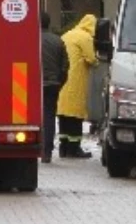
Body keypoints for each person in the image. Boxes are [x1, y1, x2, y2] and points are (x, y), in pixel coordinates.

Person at [56, 14, 98, 159]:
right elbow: (92, 59)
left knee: (63, 115)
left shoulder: (67, 35)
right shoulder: (85, 37)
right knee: (75, 115)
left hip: (62, 80)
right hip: (76, 81)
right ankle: (74, 149)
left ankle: (63, 148)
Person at [40, 11, 69, 164]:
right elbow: (66, 66)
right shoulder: (58, 41)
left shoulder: (30, 39)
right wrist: (60, 82)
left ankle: (31, 148)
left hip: (32, 85)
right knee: (49, 116)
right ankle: (47, 152)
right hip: (52, 84)